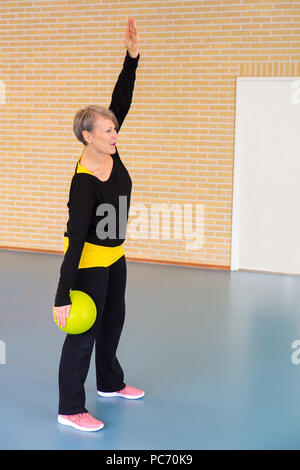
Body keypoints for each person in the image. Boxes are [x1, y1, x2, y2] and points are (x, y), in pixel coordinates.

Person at [53, 17, 144, 432]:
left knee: (114, 322)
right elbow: (74, 242)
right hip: (88, 262)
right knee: (84, 333)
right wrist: (62, 296)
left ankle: (109, 383)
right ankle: (70, 408)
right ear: (87, 136)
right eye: (107, 129)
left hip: (116, 256)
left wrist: (132, 59)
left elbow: (119, 100)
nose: (114, 132)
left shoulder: (113, 153)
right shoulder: (83, 184)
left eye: (114, 128)